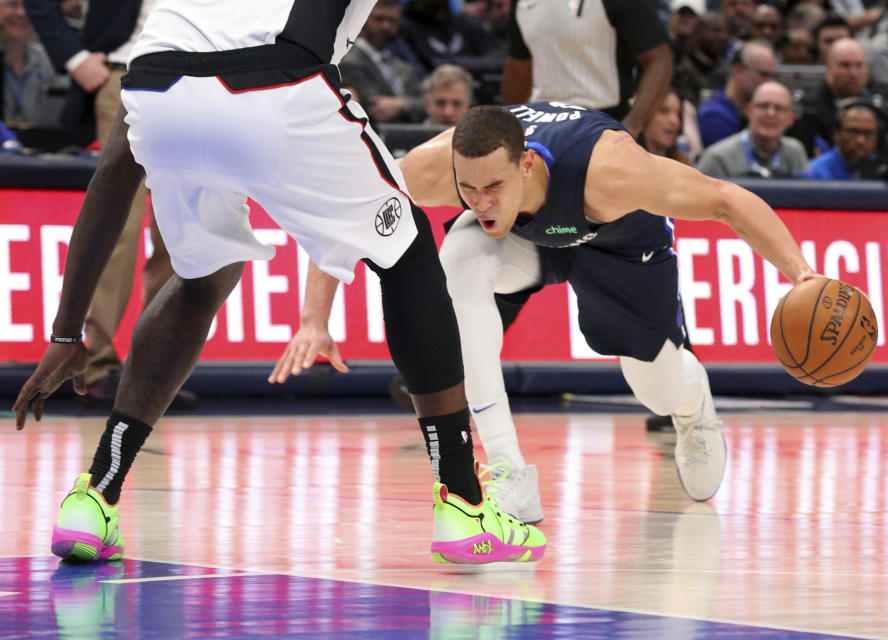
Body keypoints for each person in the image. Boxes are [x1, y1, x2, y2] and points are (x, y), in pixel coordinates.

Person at [13, 0, 545, 567]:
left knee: (198, 278)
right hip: (277, 80)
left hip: (157, 90)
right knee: (408, 250)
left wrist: (67, 333)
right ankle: (463, 502)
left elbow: (112, 176)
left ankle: (93, 496)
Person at [299, 102, 817, 523]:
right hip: (531, 240)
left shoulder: (611, 169)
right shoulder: (442, 167)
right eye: (468, 189)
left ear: (526, 165)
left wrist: (803, 276)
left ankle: (693, 407)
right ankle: (509, 473)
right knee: (456, 264)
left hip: (618, 245)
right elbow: (351, 216)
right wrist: (314, 319)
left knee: (654, 389)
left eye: (493, 187)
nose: (478, 201)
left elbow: (725, 199)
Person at [26, 0, 178, 403]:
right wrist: (73, 57)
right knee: (120, 229)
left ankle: (157, 369)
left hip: (201, 78)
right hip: (127, 71)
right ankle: (94, 365)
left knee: (180, 231)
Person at [502, 0, 674, 138]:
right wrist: (509, 129)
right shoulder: (521, 3)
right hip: (543, 126)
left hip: (606, 124)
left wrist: (633, 125)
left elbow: (660, 59)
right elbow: (518, 68)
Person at [338, 0, 427, 124]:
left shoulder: (404, 67)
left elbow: (429, 104)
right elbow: (375, 108)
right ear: (363, 20)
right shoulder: (349, 62)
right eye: (379, 19)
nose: (386, 26)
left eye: (392, 21)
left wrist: (401, 105)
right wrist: (413, 105)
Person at [697, 81, 810, 177]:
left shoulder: (795, 152)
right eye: (763, 106)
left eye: (779, 108)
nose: (770, 114)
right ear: (749, 111)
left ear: (791, 118)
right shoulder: (717, 158)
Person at [697, 39, 777, 147]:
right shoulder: (713, 115)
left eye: (772, 76)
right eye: (763, 75)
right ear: (738, 70)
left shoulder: (759, 112)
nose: (769, 83)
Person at [0, 0, 64, 125]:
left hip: (37, 140)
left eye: (29, 6)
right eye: (12, 5)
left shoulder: (49, 60)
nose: (22, 13)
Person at [806, 99, 885, 178]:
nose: (860, 141)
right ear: (836, 134)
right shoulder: (813, 173)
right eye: (852, 132)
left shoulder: (886, 171)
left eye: (868, 133)